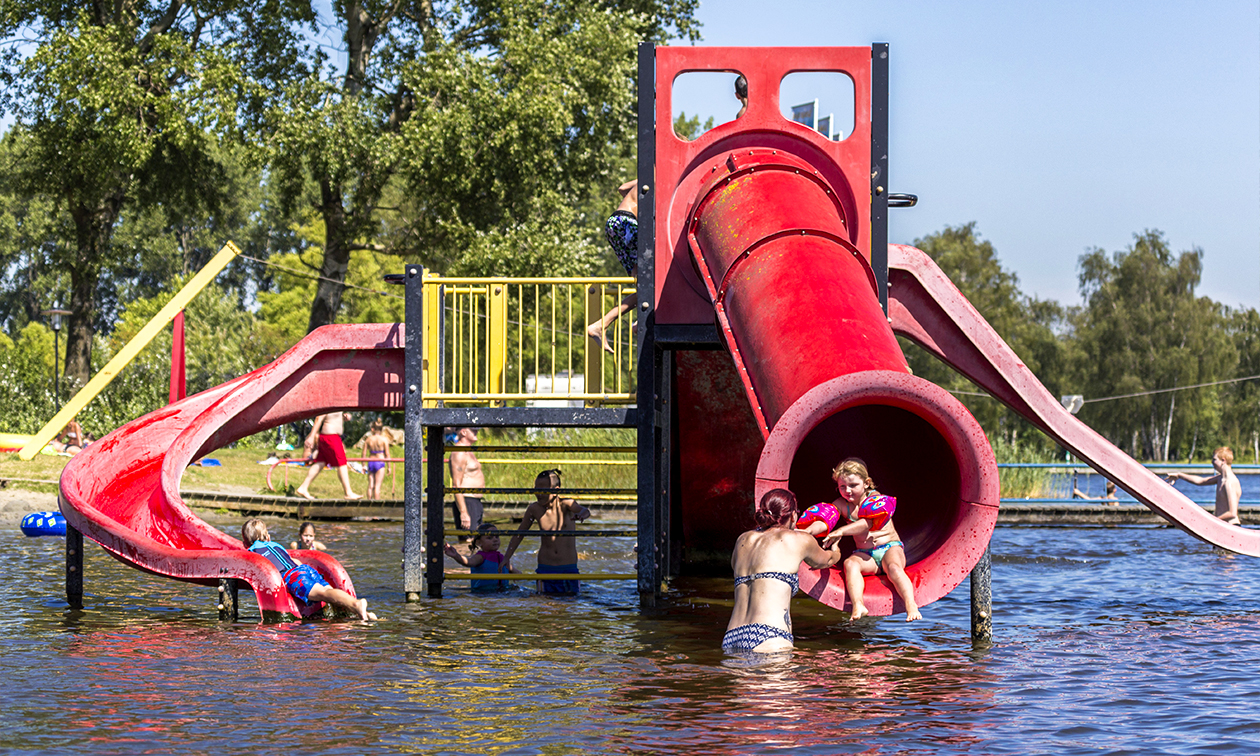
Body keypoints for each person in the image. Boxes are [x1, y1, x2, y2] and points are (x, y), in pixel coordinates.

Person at [724, 489, 842, 652]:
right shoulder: (798, 539)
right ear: (793, 515)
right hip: (769, 634)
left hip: (732, 636)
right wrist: (837, 550)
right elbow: (826, 560)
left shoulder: (743, 539)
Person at [822, 458, 921, 622]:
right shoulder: (841, 504)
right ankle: (858, 604)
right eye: (842, 487)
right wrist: (807, 530)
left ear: (866, 483)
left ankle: (910, 605)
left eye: (853, 485)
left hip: (889, 548)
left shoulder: (875, 498)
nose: (848, 491)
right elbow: (825, 519)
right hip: (866, 555)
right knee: (850, 564)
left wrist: (840, 531)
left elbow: (866, 523)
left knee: (894, 569)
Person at [241, 518, 375, 620]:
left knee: (322, 593)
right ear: (268, 537)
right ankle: (363, 613)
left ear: (245, 543)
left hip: (294, 577)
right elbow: (294, 561)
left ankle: (357, 604)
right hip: (303, 569)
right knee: (329, 592)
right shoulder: (276, 546)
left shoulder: (252, 552)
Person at [503, 469, 591, 595]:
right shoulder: (534, 509)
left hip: (567, 567)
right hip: (545, 567)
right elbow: (519, 534)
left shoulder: (567, 505)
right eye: (536, 489)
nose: (539, 494)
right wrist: (507, 557)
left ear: (556, 490)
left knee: (569, 606)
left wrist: (581, 515)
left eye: (543, 490)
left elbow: (585, 510)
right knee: (544, 607)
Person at [585, 179, 639, 354]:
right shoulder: (660, 175)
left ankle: (640, 318)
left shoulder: (650, 174)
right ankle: (603, 323)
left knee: (642, 281)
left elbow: (622, 188)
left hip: (614, 223)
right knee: (656, 280)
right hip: (628, 223)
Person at [1166, 447, 1243, 526]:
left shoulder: (1229, 482)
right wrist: (1179, 475)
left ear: (1223, 460)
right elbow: (1200, 481)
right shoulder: (1220, 479)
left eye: (1214, 459)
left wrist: (1212, 520)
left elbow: (1232, 513)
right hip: (1222, 524)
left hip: (1231, 525)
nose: (1212, 462)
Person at [295, 412, 362, 500]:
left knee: (321, 463)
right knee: (342, 463)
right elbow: (319, 419)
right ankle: (348, 492)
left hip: (329, 436)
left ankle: (303, 487)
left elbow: (334, 418)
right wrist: (311, 436)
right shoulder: (328, 402)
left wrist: (344, 416)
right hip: (331, 437)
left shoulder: (338, 403)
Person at [444, 524, 520, 593]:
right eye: (489, 538)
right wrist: (456, 555)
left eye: (497, 536)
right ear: (479, 542)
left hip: (502, 591)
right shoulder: (480, 557)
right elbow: (468, 562)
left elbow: (518, 574)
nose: (495, 539)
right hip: (482, 593)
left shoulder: (503, 559)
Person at [448, 427, 485, 540]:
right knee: (468, 542)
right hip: (467, 501)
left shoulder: (468, 451)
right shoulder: (459, 452)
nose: (477, 431)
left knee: (478, 541)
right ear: (463, 432)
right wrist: (463, 512)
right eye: (473, 430)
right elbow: (456, 485)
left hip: (475, 501)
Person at [360, 419, 392, 500]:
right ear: (381, 429)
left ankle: (369, 502)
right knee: (377, 487)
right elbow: (387, 454)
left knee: (370, 486)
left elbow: (363, 454)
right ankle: (376, 505)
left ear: (372, 429)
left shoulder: (368, 439)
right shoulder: (384, 440)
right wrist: (389, 467)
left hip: (371, 462)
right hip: (380, 462)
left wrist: (363, 465)